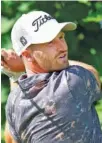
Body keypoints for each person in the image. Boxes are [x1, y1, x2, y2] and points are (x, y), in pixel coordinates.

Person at [2, 10, 102, 143]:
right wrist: (22, 66)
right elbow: (93, 73)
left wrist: (15, 73)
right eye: (49, 42)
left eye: (61, 37)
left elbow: (10, 139)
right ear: (27, 55)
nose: (62, 47)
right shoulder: (71, 81)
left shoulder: (13, 102)